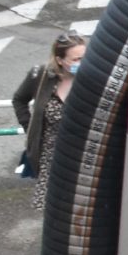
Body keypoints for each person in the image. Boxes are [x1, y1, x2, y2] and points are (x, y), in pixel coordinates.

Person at [10, 33, 84, 206]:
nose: (82, 63)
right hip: (51, 158)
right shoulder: (42, 76)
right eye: (76, 59)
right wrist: (31, 128)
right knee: (54, 211)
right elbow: (19, 99)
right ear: (60, 60)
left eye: (85, 57)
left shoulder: (91, 77)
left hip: (84, 156)